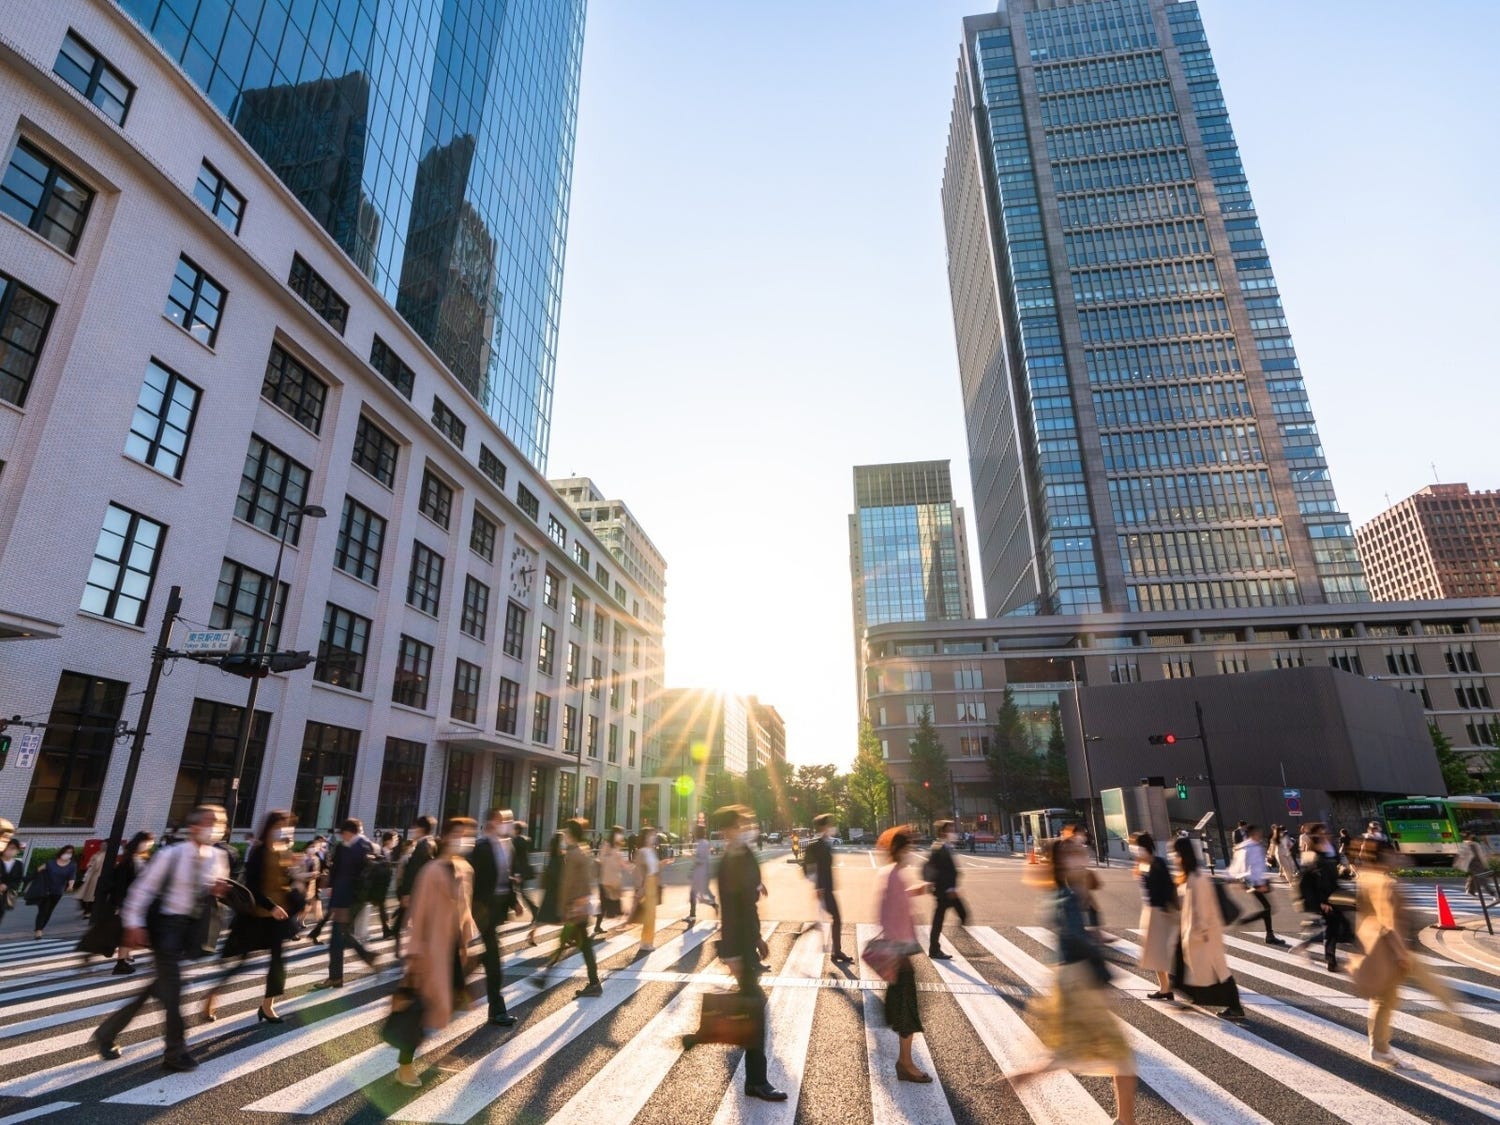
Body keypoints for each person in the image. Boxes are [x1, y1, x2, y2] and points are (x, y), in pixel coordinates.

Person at [94, 805, 229, 1071]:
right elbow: (142, 890)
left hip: (191, 929)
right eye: (210, 821)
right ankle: (175, 1051)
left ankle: (107, 1032)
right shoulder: (171, 855)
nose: (216, 826)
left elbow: (211, 889)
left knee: (159, 987)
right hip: (166, 927)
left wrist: (216, 889)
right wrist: (133, 924)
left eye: (221, 822)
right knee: (174, 990)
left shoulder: (217, 856)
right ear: (193, 827)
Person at [1015, 841, 1138, 1125]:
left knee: (1069, 1053)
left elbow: (1067, 931)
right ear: (1064, 861)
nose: (1084, 855)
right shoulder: (1067, 895)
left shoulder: (1061, 891)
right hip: (1082, 980)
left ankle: (1019, 1079)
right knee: (1119, 1056)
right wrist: (1099, 953)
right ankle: (1126, 1121)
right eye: (1076, 852)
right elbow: (1075, 937)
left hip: (1069, 978)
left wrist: (1093, 934)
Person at [704, 804, 786, 1102]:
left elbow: (747, 902)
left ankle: (753, 1077)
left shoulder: (744, 855)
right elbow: (731, 909)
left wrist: (759, 937)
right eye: (742, 824)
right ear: (729, 831)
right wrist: (733, 953)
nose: (748, 827)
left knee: (751, 1005)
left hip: (747, 939)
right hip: (738, 943)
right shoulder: (729, 860)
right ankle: (756, 1080)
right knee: (754, 1007)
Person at [395, 816, 481, 1088]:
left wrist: (468, 943)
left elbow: (465, 910)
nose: (464, 839)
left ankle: (431, 1052)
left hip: (454, 949)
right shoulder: (431, 871)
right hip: (430, 950)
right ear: (445, 837)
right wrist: (414, 953)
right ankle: (405, 1065)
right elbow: (417, 914)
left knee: (452, 1001)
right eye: (458, 833)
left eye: (468, 834)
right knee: (420, 1008)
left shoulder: (466, 869)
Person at [204, 810, 298, 1023]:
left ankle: (267, 1006)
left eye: (286, 826)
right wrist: (271, 906)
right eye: (279, 826)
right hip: (256, 916)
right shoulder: (258, 851)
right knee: (240, 961)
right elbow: (252, 885)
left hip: (277, 918)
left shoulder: (282, 850)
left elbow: (286, 882)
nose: (283, 830)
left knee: (278, 962)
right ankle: (213, 994)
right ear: (270, 828)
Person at [877, 825, 933, 1083]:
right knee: (906, 1008)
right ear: (899, 849)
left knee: (904, 1007)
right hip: (899, 953)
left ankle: (905, 1061)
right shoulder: (894, 875)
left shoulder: (893, 874)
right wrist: (897, 952)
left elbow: (891, 906)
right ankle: (906, 1064)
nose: (911, 851)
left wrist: (915, 892)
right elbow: (888, 915)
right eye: (908, 846)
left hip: (899, 951)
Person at [1172, 836, 1247, 1022]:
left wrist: (1201, 932)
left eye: (1175, 854)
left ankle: (1235, 1007)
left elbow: (1205, 908)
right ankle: (1198, 996)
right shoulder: (1188, 876)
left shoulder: (1198, 878)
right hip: (1193, 932)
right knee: (1192, 968)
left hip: (1204, 934)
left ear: (1183, 855)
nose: (1173, 857)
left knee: (1219, 971)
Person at [534, 819, 602, 997]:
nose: (563, 835)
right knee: (575, 944)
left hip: (575, 908)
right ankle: (547, 976)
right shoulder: (579, 851)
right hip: (577, 907)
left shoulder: (574, 854)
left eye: (565, 832)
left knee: (578, 945)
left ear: (571, 834)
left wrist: (569, 908)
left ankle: (593, 982)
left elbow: (574, 883)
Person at [313, 818, 380, 988]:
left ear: (348, 832)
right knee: (341, 936)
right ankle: (364, 957)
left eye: (343, 834)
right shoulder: (352, 846)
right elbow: (337, 869)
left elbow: (359, 877)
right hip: (346, 898)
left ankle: (336, 976)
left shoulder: (360, 847)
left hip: (349, 900)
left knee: (337, 937)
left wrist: (348, 898)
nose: (342, 837)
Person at [468, 809, 518, 1027]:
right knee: (494, 962)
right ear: (492, 822)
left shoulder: (505, 846)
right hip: (481, 912)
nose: (507, 824)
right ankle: (497, 1010)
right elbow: (472, 881)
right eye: (504, 820)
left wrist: (514, 901)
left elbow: (505, 876)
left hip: (494, 913)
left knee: (482, 961)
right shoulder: (480, 848)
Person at [1130, 832, 1177, 1000]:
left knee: (1159, 952)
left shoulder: (1157, 863)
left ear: (1143, 846)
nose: (1133, 848)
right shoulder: (1144, 864)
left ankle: (1168, 987)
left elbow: (1168, 887)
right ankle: (1165, 988)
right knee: (1154, 953)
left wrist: (1165, 907)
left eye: (1134, 845)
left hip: (1159, 912)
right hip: (1150, 911)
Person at [1298, 824, 1350, 972]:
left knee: (1339, 926)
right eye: (1322, 833)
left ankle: (1312, 942)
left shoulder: (1330, 849)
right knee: (1333, 926)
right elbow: (1307, 883)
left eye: (1326, 832)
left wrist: (1343, 871)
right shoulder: (1312, 856)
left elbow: (1334, 869)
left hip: (1334, 894)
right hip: (1323, 897)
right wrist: (1320, 902)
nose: (1326, 835)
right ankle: (1330, 959)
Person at [103, 832, 155, 974]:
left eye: (150, 843)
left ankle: (124, 959)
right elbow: (120, 885)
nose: (148, 846)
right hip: (129, 903)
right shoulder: (128, 861)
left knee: (131, 933)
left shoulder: (143, 859)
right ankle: (121, 962)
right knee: (128, 932)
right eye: (146, 842)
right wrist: (119, 904)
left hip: (141, 903)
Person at [803, 814, 852, 963]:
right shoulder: (815, 846)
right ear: (823, 827)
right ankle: (836, 951)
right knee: (836, 918)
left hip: (828, 888)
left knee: (834, 918)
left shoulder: (825, 844)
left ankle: (836, 950)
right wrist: (817, 887)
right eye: (829, 824)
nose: (832, 827)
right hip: (823, 889)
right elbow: (807, 868)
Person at [1231, 825, 1286, 947]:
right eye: (1258, 832)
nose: (1260, 834)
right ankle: (1248, 922)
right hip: (1254, 881)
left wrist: (1239, 880)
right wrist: (1259, 884)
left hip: (1251, 880)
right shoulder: (1251, 847)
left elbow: (1239, 865)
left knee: (1267, 907)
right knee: (1267, 907)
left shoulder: (1247, 846)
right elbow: (1250, 867)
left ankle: (1269, 935)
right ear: (1253, 834)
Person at [924, 820, 967, 959]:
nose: (953, 833)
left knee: (951, 916)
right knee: (944, 918)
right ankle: (935, 949)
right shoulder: (940, 847)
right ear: (943, 832)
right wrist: (948, 888)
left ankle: (935, 948)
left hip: (947, 890)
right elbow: (937, 870)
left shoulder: (945, 846)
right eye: (950, 830)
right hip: (945, 891)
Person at [395, 816, 436, 957]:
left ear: (421, 828)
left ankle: (418, 952)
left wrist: (406, 893)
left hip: (418, 891)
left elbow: (413, 871)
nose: (413, 830)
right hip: (425, 891)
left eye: (415, 827)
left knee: (413, 922)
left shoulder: (423, 845)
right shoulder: (432, 843)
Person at [27, 843, 78, 938]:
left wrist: (71, 886)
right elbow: (38, 869)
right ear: (62, 852)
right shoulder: (51, 863)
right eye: (66, 852)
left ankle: (40, 927)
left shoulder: (72, 865)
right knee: (43, 910)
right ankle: (39, 930)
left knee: (49, 911)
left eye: (70, 853)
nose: (68, 854)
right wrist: (29, 879)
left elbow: (72, 876)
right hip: (46, 890)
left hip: (57, 891)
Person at [529, 831, 565, 945]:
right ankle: (532, 934)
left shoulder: (555, 855)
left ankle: (532, 934)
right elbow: (557, 874)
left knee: (547, 916)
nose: (565, 843)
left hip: (553, 890)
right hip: (555, 891)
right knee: (551, 916)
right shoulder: (557, 857)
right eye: (563, 840)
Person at [596, 825, 630, 935]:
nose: (621, 836)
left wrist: (629, 867)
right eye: (619, 833)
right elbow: (601, 859)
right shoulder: (607, 845)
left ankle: (599, 925)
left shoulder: (616, 847)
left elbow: (620, 862)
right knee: (604, 904)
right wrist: (610, 858)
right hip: (605, 881)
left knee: (608, 904)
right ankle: (598, 925)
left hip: (614, 881)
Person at [633, 825, 661, 950]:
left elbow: (654, 868)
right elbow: (638, 871)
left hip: (653, 883)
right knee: (648, 914)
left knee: (651, 914)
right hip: (647, 884)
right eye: (651, 835)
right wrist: (640, 887)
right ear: (645, 838)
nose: (653, 837)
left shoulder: (652, 851)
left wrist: (662, 864)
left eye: (654, 835)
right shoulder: (642, 851)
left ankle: (648, 941)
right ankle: (645, 942)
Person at [686, 824, 717, 924]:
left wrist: (690, 856)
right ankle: (712, 904)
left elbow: (700, 860)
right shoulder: (702, 843)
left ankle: (693, 915)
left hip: (700, 874)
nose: (694, 833)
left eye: (695, 831)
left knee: (694, 895)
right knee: (695, 895)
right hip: (700, 873)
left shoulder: (703, 843)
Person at [511, 821, 539, 924]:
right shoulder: (524, 840)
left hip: (518, 871)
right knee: (521, 892)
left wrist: (517, 873)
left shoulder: (515, 841)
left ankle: (534, 909)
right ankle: (534, 909)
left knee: (519, 892)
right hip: (523, 869)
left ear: (516, 830)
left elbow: (516, 858)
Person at [0, 839, 24, 929]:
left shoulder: (18, 864)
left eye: (13, 848)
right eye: (8, 848)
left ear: (17, 850)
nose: (10, 850)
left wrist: (7, 886)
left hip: (4, 897)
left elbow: (18, 880)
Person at [77, 847, 106, 921]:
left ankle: (88, 912)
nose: (103, 846)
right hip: (89, 876)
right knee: (83, 895)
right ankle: (87, 910)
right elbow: (90, 863)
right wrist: (90, 865)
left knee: (91, 896)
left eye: (105, 845)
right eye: (102, 845)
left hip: (97, 878)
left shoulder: (106, 855)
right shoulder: (96, 854)